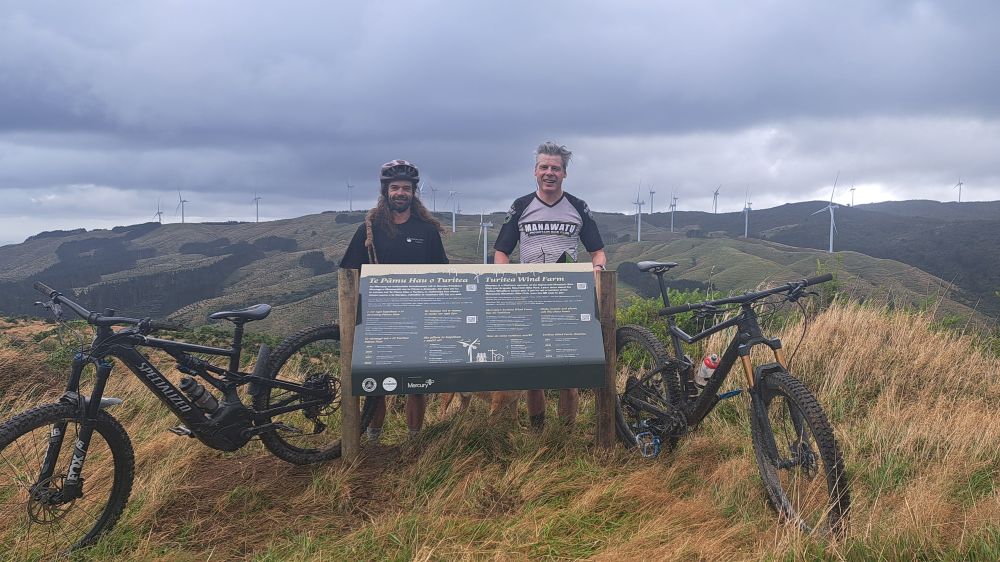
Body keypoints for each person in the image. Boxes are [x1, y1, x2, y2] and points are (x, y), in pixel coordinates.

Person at [493, 142, 607, 428]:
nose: (549, 172)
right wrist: (506, 283)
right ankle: (537, 432)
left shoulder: (578, 207)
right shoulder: (521, 206)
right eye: (544, 167)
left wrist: (597, 272)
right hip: (528, 299)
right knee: (535, 374)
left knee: (569, 374)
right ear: (535, 171)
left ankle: (566, 434)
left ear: (564, 173)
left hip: (568, 300)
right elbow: (501, 252)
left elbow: (598, 252)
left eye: (555, 168)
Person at [340, 159, 448, 443]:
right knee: (376, 384)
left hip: (418, 317)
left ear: (414, 192)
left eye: (406, 188)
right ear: (385, 191)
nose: (400, 192)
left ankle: (414, 440)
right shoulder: (370, 227)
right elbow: (349, 271)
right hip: (378, 318)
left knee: (417, 383)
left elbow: (442, 272)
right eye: (395, 187)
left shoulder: (426, 230)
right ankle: (374, 438)